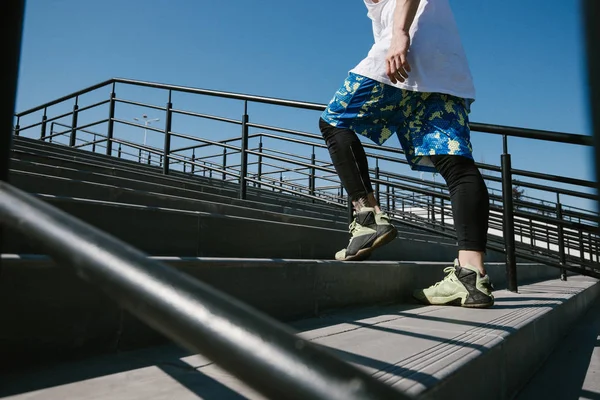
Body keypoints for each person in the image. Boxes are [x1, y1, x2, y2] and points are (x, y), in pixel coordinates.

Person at [319, 0, 494, 308]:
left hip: (404, 52)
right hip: (444, 65)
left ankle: (368, 217)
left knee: (334, 122)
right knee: (456, 165)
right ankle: (471, 275)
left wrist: (399, 33)